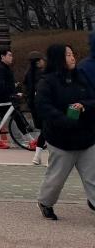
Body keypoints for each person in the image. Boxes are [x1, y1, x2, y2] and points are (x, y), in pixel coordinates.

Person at [34, 43, 95, 221]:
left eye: (72, 54)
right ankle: (45, 202)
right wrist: (64, 120)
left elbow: (93, 99)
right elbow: (43, 108)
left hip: (87, 137)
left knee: (93, 176)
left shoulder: (82, 77)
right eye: (68, 55)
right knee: (56, 179)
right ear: (58, 59)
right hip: (61, 140)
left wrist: (84, 106)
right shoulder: (47, 82)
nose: (73, 57)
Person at [0, 47, 25, 149]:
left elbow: (8, 84)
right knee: (13, 117)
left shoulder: (5, 68)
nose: (12, 57)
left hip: (5, 97)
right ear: (2, 57)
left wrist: (14, 89)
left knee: (4, 118)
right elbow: (1, 85)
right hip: (2, 97)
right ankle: (25, 140)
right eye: (10, 55)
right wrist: (12, 93)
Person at [24, 52, 47, 164]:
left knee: (44, 130)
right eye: (42, 60)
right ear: (38, 62)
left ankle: (37, 156)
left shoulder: (29, 74)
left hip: (33, 106)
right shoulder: (41, 75)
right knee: (48, 130)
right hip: (42, 106)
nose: (44, 61)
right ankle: (40, 157)